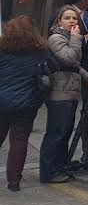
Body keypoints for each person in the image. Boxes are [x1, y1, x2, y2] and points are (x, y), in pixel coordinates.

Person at [42, 6, 88, 183]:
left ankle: (60, 167)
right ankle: (49, 171)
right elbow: (69, 58)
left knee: (64, 132)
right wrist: (76, 38)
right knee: (56, 133)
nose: (72, 21)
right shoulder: (56, 38)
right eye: (67, 18)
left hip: (69, 91)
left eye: (74, 18)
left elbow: (75, 66)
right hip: (59, 92)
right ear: (59, 21)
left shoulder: (69, 38)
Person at [0, 16, 53, 191]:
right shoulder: (40, 51)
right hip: (26, 102)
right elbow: (52, 68)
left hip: (2, 101)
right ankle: (14, 181)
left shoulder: (2, 49)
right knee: (19, 139)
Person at [61, 0, 88, 170]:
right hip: (67, 79)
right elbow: (68, 50)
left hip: (84, 74)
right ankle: (59, 164)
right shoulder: (71, 17)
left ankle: (73, 159)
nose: (71, 21)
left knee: (76, 119)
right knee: (63, 124)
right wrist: (86, 38)